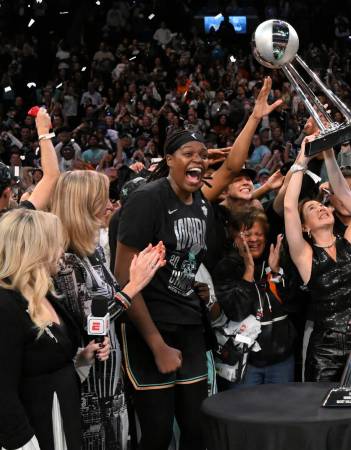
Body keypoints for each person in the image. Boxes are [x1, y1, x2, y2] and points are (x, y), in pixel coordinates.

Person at [114, 128, 216, 450]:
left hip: (187, 324)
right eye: (189, 153)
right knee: (157, 434)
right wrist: (157, 344)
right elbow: (123, 276)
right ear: (169, 160)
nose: (198, 159)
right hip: (150, 328)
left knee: (196, 430)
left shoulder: (201, 202)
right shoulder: (147, 199)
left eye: (203, 154)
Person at [50, 170, 165, 450]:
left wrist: (138, 275)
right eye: (103, 199)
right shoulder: (65, 260)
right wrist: (134, 285)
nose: (110, 205)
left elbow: (107, 302)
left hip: (110, 380)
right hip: (88, 386)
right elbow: (92, 322)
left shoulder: (94, 252)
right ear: (83, 205)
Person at [0, 209, 110, 450]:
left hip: (64, 417)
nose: (62, 252)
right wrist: (22, 442)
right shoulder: (5, 305)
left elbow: (51, 359)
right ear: (36, 250)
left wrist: (83, 358)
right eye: (56, 244)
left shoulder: (45, 294)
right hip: (34, 431)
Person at [283, 131, 351, 382]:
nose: (321, 207)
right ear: (305, 227)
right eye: (312, 209)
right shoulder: (304, 254)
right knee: (321, 412)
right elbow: (289, 207)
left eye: (322, 205)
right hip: (324, 348)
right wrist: (303, 158)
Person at [212, 208, 296, 385]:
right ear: (235, 237)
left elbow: (293, 305)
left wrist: (276, 274)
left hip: (281, 360)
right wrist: (248, 271)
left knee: (282, 411)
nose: (254, 239)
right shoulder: (226, 267)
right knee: (244, 412)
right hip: (244, 363)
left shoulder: (275, 260)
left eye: (259, 234)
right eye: (246, 234)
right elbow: (237, 312)